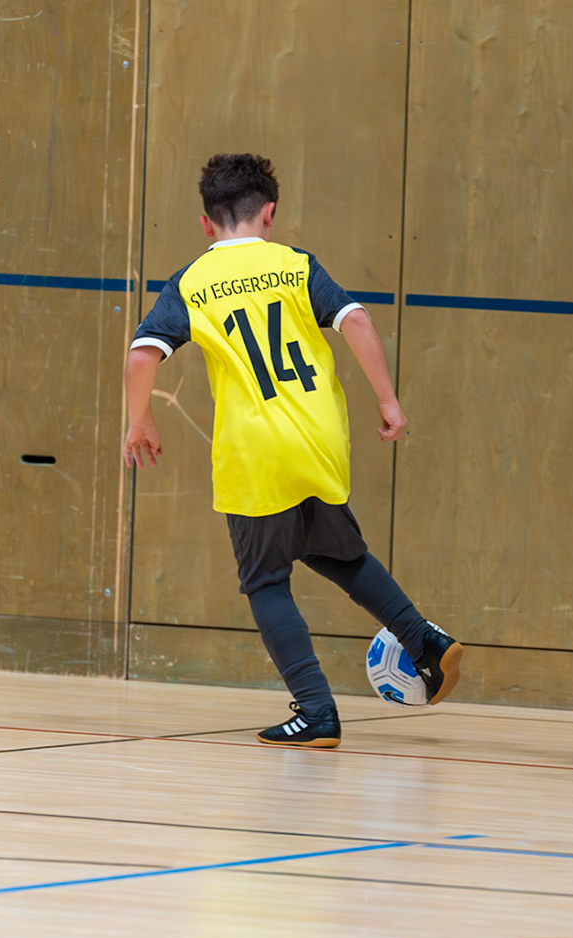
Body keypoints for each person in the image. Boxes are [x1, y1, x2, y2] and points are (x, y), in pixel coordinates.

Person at [122, 152, 459, 748]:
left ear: (206, 223)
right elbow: (356, 321)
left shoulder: (192, 282)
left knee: (266, 581)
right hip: (320, 438)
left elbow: (142, 355)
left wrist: (140, 419)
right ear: (270, 213)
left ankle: (316, 711)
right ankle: (423, 639)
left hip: (255, 452)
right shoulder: (295, 264)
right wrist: (388, 401)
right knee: (336, 552)